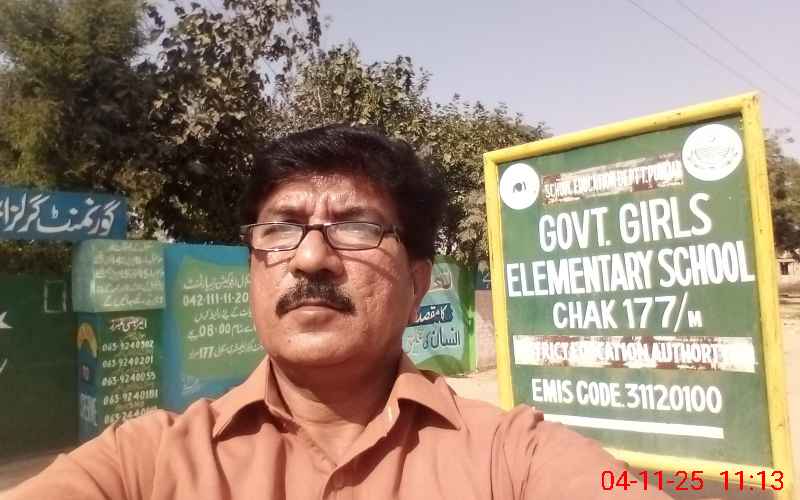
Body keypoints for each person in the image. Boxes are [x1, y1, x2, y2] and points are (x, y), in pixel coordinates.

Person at [6, 125, 668, 499]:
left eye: (356, 228)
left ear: (418, 284)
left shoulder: (512, 459)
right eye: (281, 228)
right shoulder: (147, 464)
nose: (310, 258)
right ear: (252, 272)